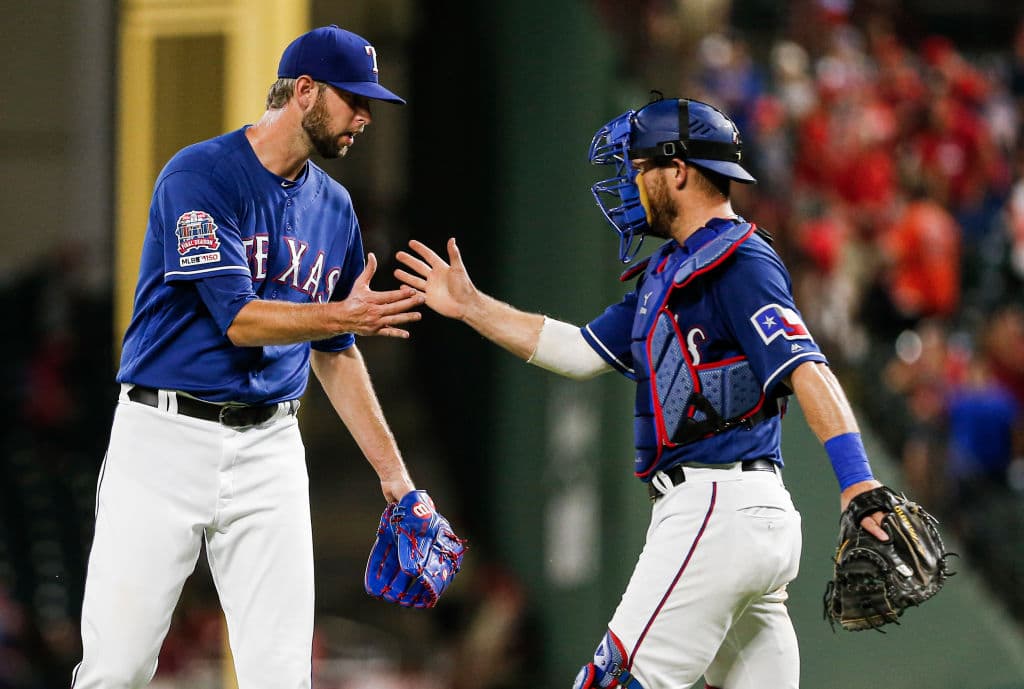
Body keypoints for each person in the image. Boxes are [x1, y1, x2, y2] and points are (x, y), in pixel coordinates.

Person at [395, 96, 889, 689]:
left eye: (638, 167)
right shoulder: (671, 271)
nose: (628, 183)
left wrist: (858, 482)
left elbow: (808, 368)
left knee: (614, 681)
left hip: (713, 507)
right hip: (748, 517)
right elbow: (578, 351)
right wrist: (473, 309)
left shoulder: (740, 259)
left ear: (677, 170)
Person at [72, 25, 424, 689]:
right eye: (354, 99)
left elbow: (336, 351)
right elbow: (237, 320)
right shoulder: (201, 174)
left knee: (282, 674)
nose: (365, 117)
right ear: (305, 91)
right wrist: (338, 316)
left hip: (269, 446)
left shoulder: (336, 209)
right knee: (115, 669)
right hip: (164, 438)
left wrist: (395, 476)